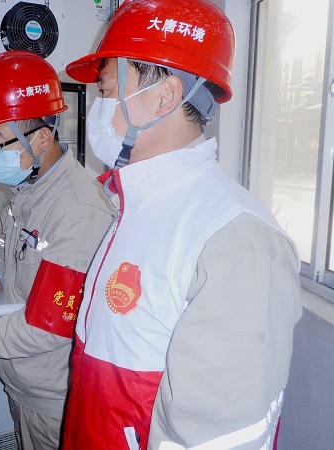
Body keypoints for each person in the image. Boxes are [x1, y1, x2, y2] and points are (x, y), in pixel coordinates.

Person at [61, 1, 303, 449]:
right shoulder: (135, 206)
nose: (98, 106)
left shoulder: (237, 243)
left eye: (107, 89)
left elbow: (218, 437)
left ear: (165, 96)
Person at [0, 50, 116, 450]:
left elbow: (47, 327)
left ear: (42, 138)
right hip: (24, 387)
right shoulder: (29, 185)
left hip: (53, 406)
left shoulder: (78, 212)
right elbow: (7, 241)